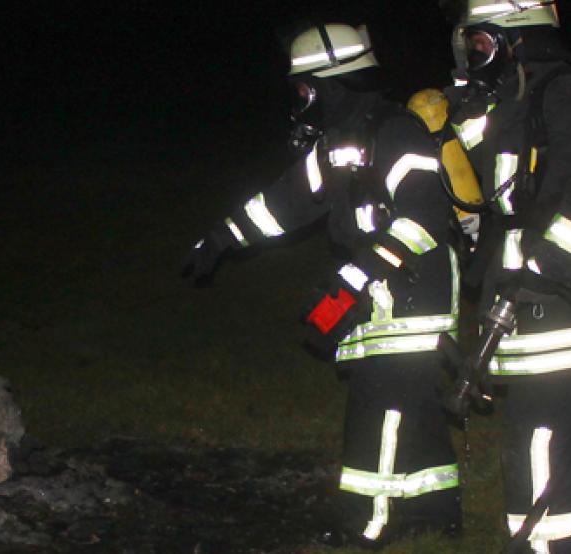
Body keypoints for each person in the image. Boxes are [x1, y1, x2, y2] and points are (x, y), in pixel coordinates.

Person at [180, 22, 462, 548]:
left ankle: (368, 521)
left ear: (335, 83)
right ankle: (437, 509)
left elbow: (424, 218)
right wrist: (223, 238)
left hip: (411, 291)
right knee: (414, 401)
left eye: (307, 89)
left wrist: (358, 276)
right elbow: (285, 201)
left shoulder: (396, 132)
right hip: (376, 286)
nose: (302, 101)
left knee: (380, 404)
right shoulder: (340, 141)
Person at [440, 1, 571, 552]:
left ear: (518, 40)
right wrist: (463, 109)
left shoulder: (564, 92)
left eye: (481, 45)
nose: (473, 57)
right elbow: (498, 180)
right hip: (552, 314)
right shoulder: (520, 98)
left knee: (538, 444)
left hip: (563, 315)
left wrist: (540, 271)